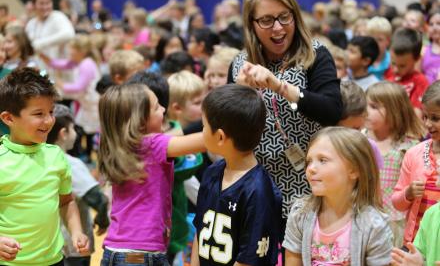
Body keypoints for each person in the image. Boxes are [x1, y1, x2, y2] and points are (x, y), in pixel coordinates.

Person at [228, 0, 342, 220]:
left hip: (312, 185)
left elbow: (332, 111)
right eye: (267, 20)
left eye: (284, 17)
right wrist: (238, 93)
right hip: (259, 188)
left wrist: (280, 86)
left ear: (295, 16)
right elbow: (228, 131)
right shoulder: (240, 63)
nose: (278, 28)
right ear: (252, 24)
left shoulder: (315, 54)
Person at [98, 83, 205, 265]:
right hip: (142, 255)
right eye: (157, 107)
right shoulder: (155, 144)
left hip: (114, 251)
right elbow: (207, 141)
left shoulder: (114, 146)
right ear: (140, 120)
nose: (164, 109)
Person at [0, 67, 88, 265]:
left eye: (50, 111)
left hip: (54, 260)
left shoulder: (55, 155)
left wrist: (76, 231)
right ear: (9, 118)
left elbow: (66, 201)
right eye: (38, 113)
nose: (48, 120)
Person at [190, 84, 282, 266]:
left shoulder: (258, 191)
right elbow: (200, 233)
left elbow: (249, 259)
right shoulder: (212, 172)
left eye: (204, 126)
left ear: (221, 137)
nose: (201, 131)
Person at [283, 127, 393, 265]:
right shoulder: (300, 213)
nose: (310, 168)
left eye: (322, 160)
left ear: (353, 170)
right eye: (309, 161)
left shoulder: (374, 225)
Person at [46, 104, 109, 266]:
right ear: (64, 133)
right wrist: (103, 220)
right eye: (73, 128)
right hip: (75, 247)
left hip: (49, 247)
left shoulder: (40, 161)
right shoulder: (71, 164)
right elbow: (98, 198)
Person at [365, 82, 424, 247]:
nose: (366, 111)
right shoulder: (359, 140)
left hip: (395, 221)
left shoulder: (408, 147)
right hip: (364, 217)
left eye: (374, 106)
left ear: (394, 111)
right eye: (366, 105)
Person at [40, 34, 101, 163]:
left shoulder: (86, 64)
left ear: (81, 51)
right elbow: (59, 64)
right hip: (86, 103)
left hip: (93, 104)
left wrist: (61, 84)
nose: (70, 53)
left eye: (72, 50)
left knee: (90, 130)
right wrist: (44, 57)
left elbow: (79, 86)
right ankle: (85, 153)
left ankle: (90, 155)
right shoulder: (78, 61)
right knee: (81, 126)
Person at [392, 80, 440, 246]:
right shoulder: (414, 153)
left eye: (435, 118)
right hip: (414, 244)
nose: (427, 124)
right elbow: (397, 202)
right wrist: (408, 193)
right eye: (425, 116)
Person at [25, 0, 75, 79]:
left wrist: (41, 43)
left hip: (60, 74)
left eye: (48, 3)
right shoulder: (31, 24)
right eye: (41, 3)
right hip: (40, 73)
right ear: (34, 4)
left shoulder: (58, 16)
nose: (45, 7)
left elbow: (69, 34)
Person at [386, 27, 429, 116]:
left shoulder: (420, 81)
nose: (395, 69)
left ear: (417, 59)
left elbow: (417, 115)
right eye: (393, 63)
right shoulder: (389, 75)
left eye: (402, 66)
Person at [422, 10, 440, 84]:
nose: (434, 27)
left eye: (439, 23)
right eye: (431, 24)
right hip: (428, 93)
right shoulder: (423, 50)